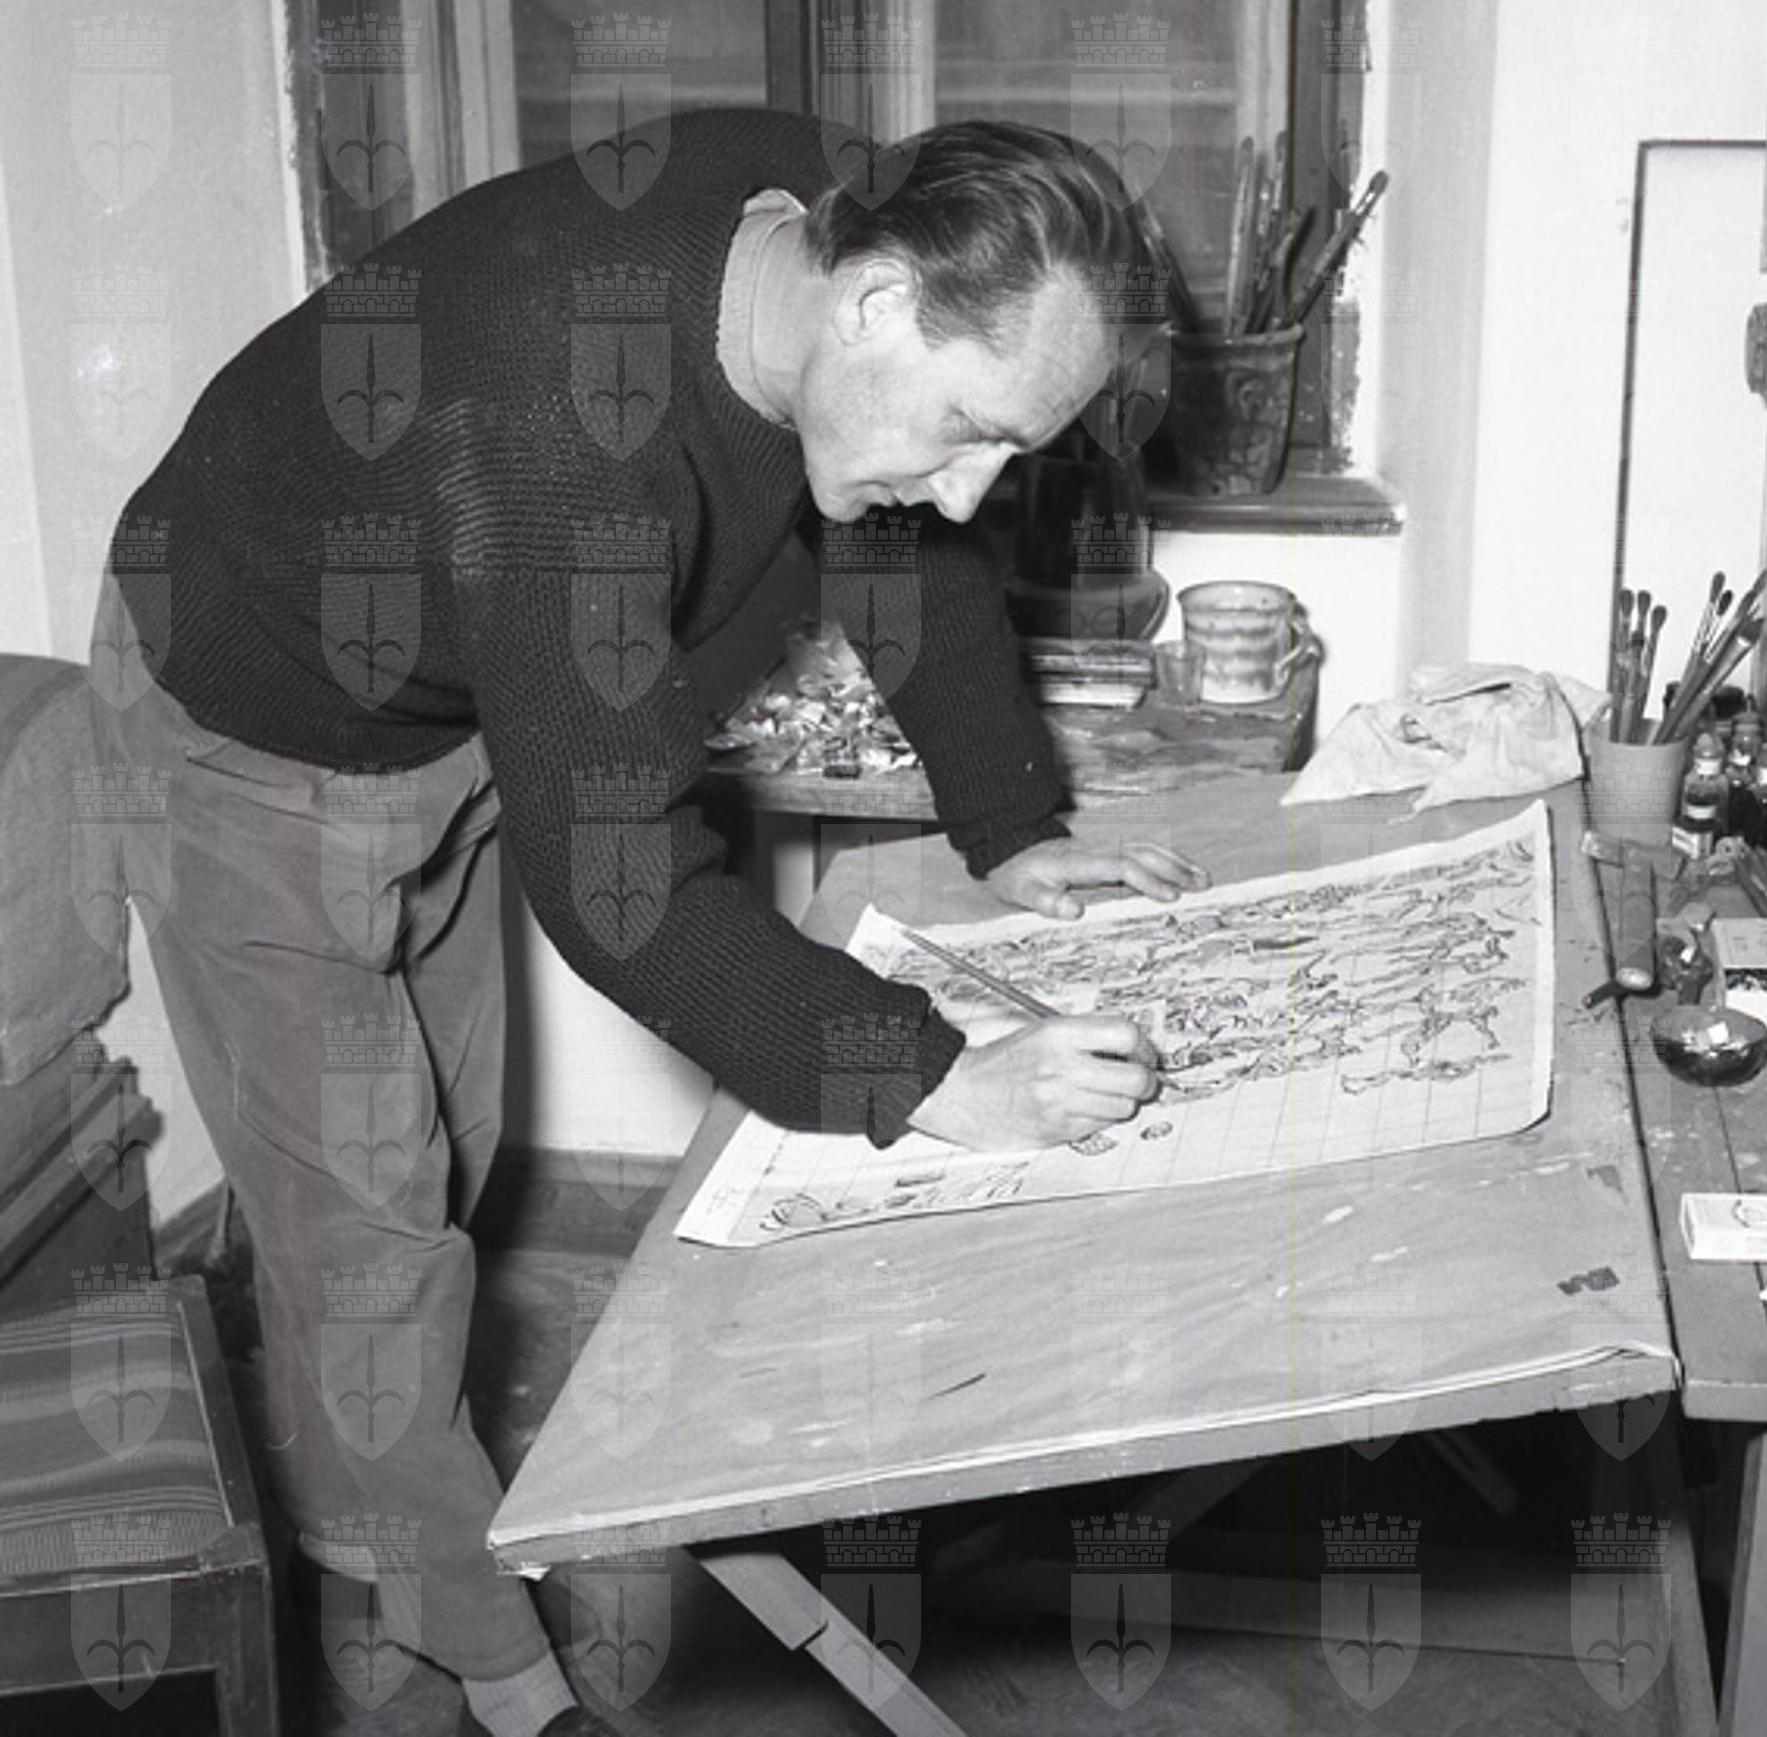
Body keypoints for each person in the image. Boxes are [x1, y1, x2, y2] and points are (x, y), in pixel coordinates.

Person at [88, 109, 1206, 1736]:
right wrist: (934, 1078)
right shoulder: (562, 444)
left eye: (1010, 453)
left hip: (440, 676)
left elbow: (894, 546)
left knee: (450, 1151)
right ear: (875, 302)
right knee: (374, 1237)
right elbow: (624, 893)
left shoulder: (842, 212)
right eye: (971, 431)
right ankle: (501, 1674)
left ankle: (362, 1510)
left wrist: (1010, 824)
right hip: (235, 718)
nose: (971, 493)